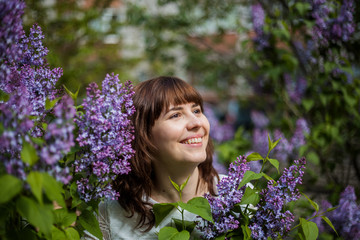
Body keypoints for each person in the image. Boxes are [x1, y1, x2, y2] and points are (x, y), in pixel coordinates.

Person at [84, 76, 219, 239]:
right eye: (175, 115)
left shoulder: (240, 197)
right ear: (143, 136)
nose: (196, 122)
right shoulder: (109, 213)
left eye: (196, 110)